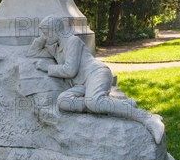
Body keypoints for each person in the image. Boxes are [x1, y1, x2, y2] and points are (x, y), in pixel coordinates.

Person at [27, 16, 165, 144]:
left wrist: (48, 67)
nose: (44, 36)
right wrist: (41, 39)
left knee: (93, 102)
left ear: (56, 30)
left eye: (45, 32)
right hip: (82, 84)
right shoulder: (56, 48)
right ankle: (117, 104)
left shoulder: (72, 41)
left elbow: (70, 70)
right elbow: (33, 53)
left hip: (96, 73)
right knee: (63, 101)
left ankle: (147, 118)